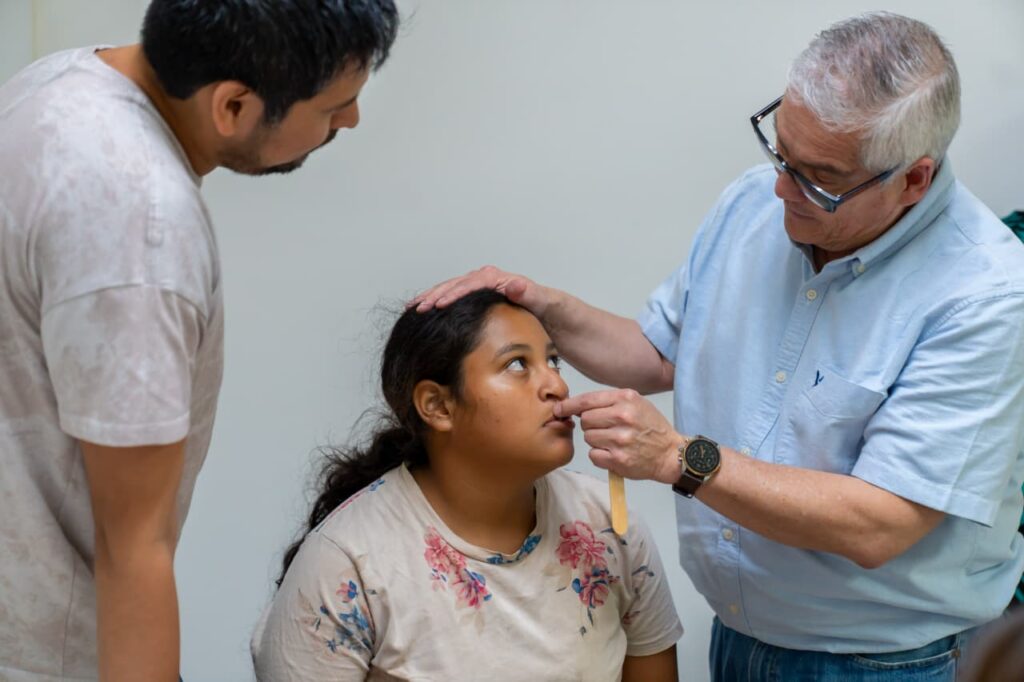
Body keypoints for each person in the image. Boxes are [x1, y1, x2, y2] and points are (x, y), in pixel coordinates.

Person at [413, 11, 1024, 681]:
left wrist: (679, 458)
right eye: (780, 153)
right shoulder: (752, 206)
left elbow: (879, 525)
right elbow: (658, 353)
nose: (781, 188)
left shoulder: (986, 295)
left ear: (913, 179)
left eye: (817, 178)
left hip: (889, 664)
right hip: (737, 640)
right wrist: (543, 309)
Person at [0, 1, 398, 680]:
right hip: (53, 653)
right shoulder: (142, 229)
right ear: (233, 106)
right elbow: (133, 547)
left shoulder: (60, 82)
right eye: (334, 106)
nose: (351, 120)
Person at [251, 290, 683, 681]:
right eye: (517, 364)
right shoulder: (344, 565)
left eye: (553, 361)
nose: (557, 385)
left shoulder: (610, 526)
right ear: (437, 406)